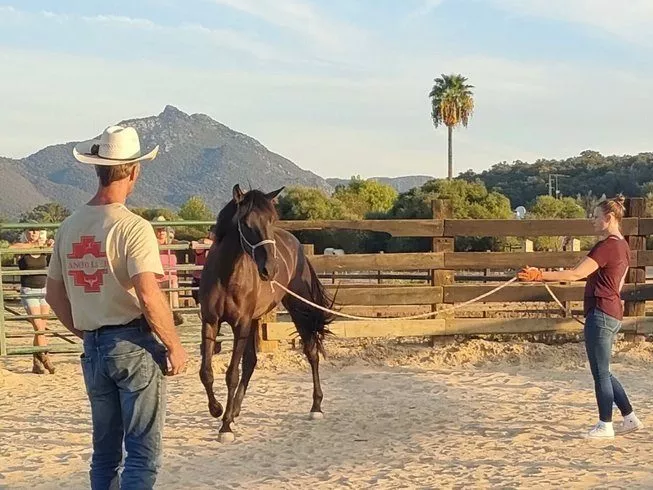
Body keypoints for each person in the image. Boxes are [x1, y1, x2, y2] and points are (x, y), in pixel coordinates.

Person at [45, 125, 188, 489]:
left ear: (97, 169)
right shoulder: (132, 227)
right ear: (135, 171)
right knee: (141, 453)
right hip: (133, 344)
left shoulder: (69, 226)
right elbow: (148, 294)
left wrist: (87, 332)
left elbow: (53, 296)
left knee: (105, 454)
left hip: (93, 347)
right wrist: (173, 344)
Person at [518, 195, 643, 439]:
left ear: (608, 219)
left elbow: (576, 274)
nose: (593, 221)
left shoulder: (606, 246)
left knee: (600, 373)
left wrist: (539, 275)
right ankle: (629, 418)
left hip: (601, 313)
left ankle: (605, 424)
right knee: (604, 370)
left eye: (596, 217)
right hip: (612, 312)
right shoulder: (623, 246)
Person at [9, 222, 56, 374]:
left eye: (36, 231)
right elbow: (10, 249)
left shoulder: (43, 249)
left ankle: (37, 363)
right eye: (30, 231)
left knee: (41, 328)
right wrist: (30, 245)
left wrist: (49, 244)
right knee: (38, 327)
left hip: (44, 289)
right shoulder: (23, 248)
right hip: (29, 290)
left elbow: (58, 252)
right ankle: (45, 357)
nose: (33, 233)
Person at [153, 216, 184, 326]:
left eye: (163, 229)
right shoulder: (151, 243)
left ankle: (175, 311)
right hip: (156, 277)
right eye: (158, 230)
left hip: (170, 276)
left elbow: (181, 243)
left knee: (173, 285)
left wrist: (188, 244)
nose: (161, 232)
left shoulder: (172, 242)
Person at [190, 225, 216, 305]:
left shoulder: (220, 245)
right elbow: (199, 247)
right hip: (200, 278)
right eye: (212, 232)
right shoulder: (202, 242)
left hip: (213, 277)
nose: (214, 234)